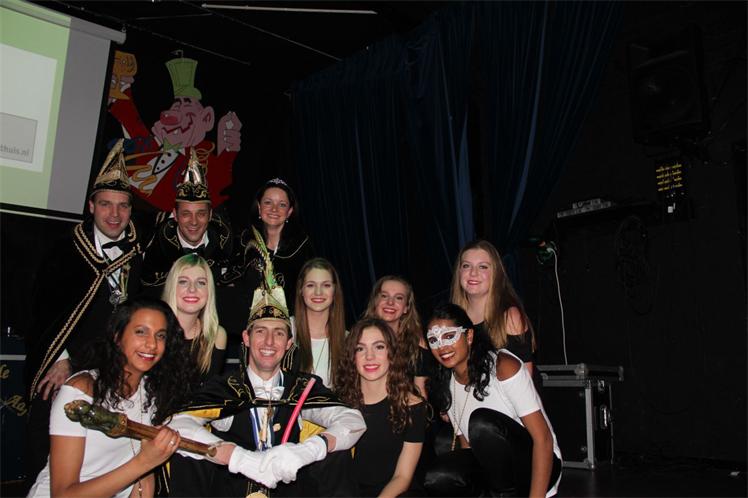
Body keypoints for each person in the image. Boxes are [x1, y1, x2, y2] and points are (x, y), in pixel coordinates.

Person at [167, 228, 365, 497]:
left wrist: (308, 450)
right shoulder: (227, 387)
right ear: (246, 338)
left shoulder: (301, 388)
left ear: (289, 343)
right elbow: (177, 422)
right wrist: (236, 457)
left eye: (279, 333)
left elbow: (353, 421)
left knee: (337, 457)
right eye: (260, 331)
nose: (269, 341)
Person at [24, 140, 145, 484]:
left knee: (107, 457)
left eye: (122, 205)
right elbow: (40, 313)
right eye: (106, 204)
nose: (114, 214)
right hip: (68, 367)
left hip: (116, 372)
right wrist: (60, 358)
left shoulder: (138, 254)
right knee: (53, 456)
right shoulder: (64, 252)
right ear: (91, 206)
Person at [27, 297, 191, 498]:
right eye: (141, 332)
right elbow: (63, 495)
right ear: (117, 336)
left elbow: (144, 480)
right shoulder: (81, 391)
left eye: (161, 335)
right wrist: (144, 462)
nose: (152, 344)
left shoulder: (152, 391)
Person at [424, 303, 561, 497]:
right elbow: (467, 447)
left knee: (482, 423)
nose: (442, 346)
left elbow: (543, 438)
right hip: (495, 474)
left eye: (449, 336)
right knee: (438, 475)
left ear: (469, 336)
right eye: (433, 340)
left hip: (538, 465)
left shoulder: (503, 366)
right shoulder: (446, 383)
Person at [108, 52, 242, 212]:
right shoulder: (150, 145)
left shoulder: (202, 161)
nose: (175, 112)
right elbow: (132, 122)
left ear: (206, 118)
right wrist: (122, 88)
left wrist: (228, 151)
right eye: (176, 104)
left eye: (187, 104)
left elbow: (219, 184)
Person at [335, 317, 427, 497]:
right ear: (352, 356)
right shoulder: (339, 404)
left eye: (379, 347)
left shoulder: (413, 406)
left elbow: (402, 477)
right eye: (360, 348)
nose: (369, 356)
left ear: (392, 353)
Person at [140, 150, 233, 291]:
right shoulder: (154, 249)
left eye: (201, 214)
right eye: (186, 214)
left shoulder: (227, 246)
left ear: (210, 215)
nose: (194, 222)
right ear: (175, 215)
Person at [223, 178, 313, 315]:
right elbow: (230, 283)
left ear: (289, 211)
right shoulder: (245, 241)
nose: (274, 209)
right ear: (259, 207)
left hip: (290, 320)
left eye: (282, 204)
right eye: (268, 202)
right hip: (247, 319)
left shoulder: (301, 246)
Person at [451, 240, 538, 376]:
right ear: (459, 272)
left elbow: (525, 378)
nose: (473, 273)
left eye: (483, 267)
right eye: (466, 266)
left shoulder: (509, 316)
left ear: (496, 274)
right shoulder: (452, 317)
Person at [364, 276, 435, 397]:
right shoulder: (358, 339)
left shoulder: (417, 344)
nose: (390, 302)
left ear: (406, 307)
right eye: (384, 296)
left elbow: (421, 392)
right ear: (375, 302)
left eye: (398, 298)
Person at [161, 253, 227, 380]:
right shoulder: (154, 332)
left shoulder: (216, 335)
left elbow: (209, 389)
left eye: (201, 283)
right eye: (183, 282)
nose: (192, 289)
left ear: (209, 291)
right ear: (172, 287)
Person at [284, 257, 347, 388]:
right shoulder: (284, 329)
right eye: (311, 285)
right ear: (301, 290)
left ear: (335, 290)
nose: (318, 292)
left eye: (326, 285)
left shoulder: (348, 340)